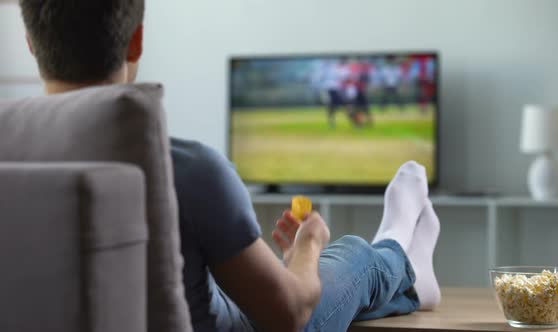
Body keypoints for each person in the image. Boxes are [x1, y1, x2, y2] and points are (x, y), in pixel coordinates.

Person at [17, 1, 441, 331]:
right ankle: (396, 245)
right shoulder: (187, 169)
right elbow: (288, 316)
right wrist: (307, 247)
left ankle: (414, 281)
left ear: (31, 42)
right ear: (137, 41)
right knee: (342, 256)